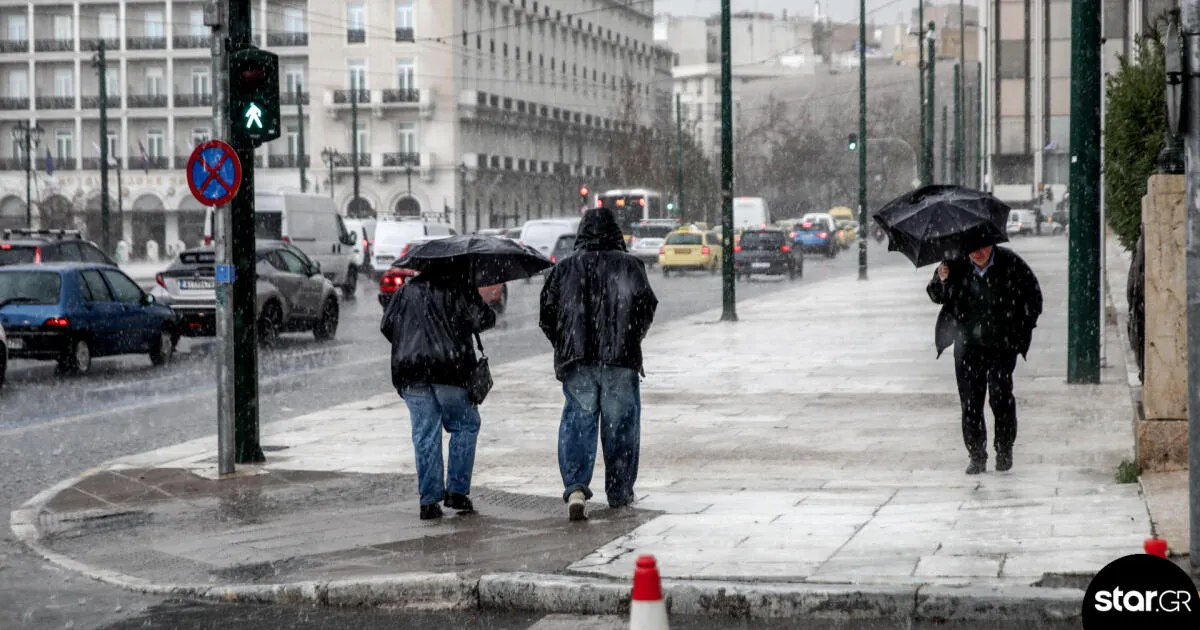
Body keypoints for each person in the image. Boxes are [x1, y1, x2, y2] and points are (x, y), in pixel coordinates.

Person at [540, 207, 658, 521]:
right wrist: (631, 337)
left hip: (577, 359)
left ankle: (576, 487)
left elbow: (547, 314)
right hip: (620, 357)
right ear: (615, 232)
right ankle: (619, 492)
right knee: (620, 427)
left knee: (578, 423)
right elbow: (646, 307)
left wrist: (565, 344)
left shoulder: (564, 268)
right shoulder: (630, 265)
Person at [381, 267, 496, 520]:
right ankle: (457, 491)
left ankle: (429, 501)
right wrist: (479, 302)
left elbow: (387, 326)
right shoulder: (460, 287)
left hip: (410, 370)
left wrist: (411, 344)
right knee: (465, 425)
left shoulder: (406, 290)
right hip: (450, 369)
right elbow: (483, 320)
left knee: (425, 433)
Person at [927, 244, 1043, 475]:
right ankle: (977, 455)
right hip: (967, 345)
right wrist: (942, 280)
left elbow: (1033, 296)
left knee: (1000, 394)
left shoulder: (1010, 263)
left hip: (1002, 344)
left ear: (992, 243)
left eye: (982, 247)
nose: (977, 252)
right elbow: (936, 295)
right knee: (971, 401)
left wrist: (1021, 326)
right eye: (971, 248)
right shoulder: (953, 263)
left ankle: (1004, 448)